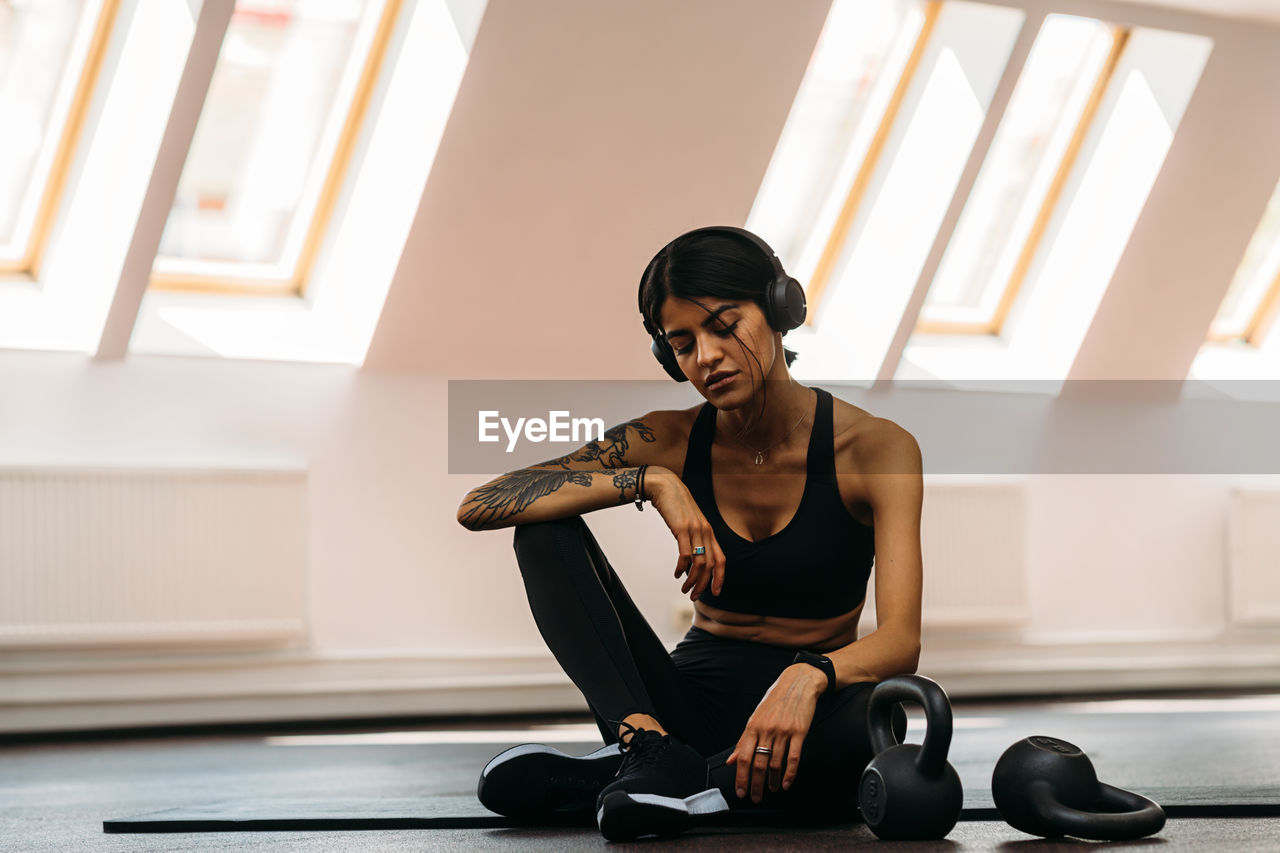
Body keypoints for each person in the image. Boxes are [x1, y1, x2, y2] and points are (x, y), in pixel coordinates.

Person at [455, 226, 924, 841]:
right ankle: (651, 757)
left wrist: (808, 675)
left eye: (725, 326)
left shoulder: (875, 449)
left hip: (806, 715)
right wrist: (649, 481)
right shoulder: (669, 438)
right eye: (682, 344)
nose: (706, 356)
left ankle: (645, 787)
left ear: (782, 309)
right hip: (679, 711)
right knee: (543, 528)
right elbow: (481, 503)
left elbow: (900, 643)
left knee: (872, 722)